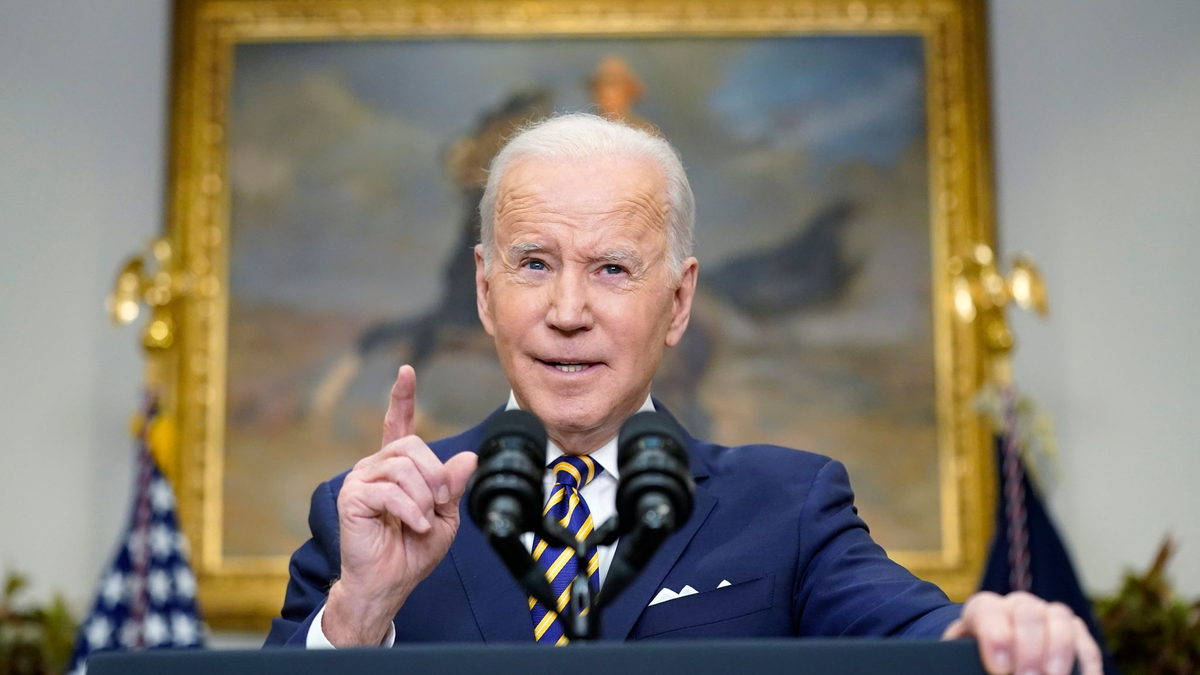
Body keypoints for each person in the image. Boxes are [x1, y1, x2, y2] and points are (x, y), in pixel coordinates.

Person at [265, 113, 1102, 675]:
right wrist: (359, 610)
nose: (567, 312)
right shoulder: (367, 513)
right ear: (484, 292)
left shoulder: (789, 504)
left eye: (613, 269)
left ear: (679, 301)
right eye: (534, 263)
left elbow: (910, 629)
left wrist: (987, 631)